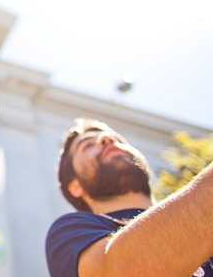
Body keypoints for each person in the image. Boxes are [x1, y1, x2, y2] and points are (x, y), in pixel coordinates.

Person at [45, 118, 213, 277]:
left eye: (117, 140)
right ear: (76, 187)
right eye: (88, 145)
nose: (106, 139)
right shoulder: (71, 231)